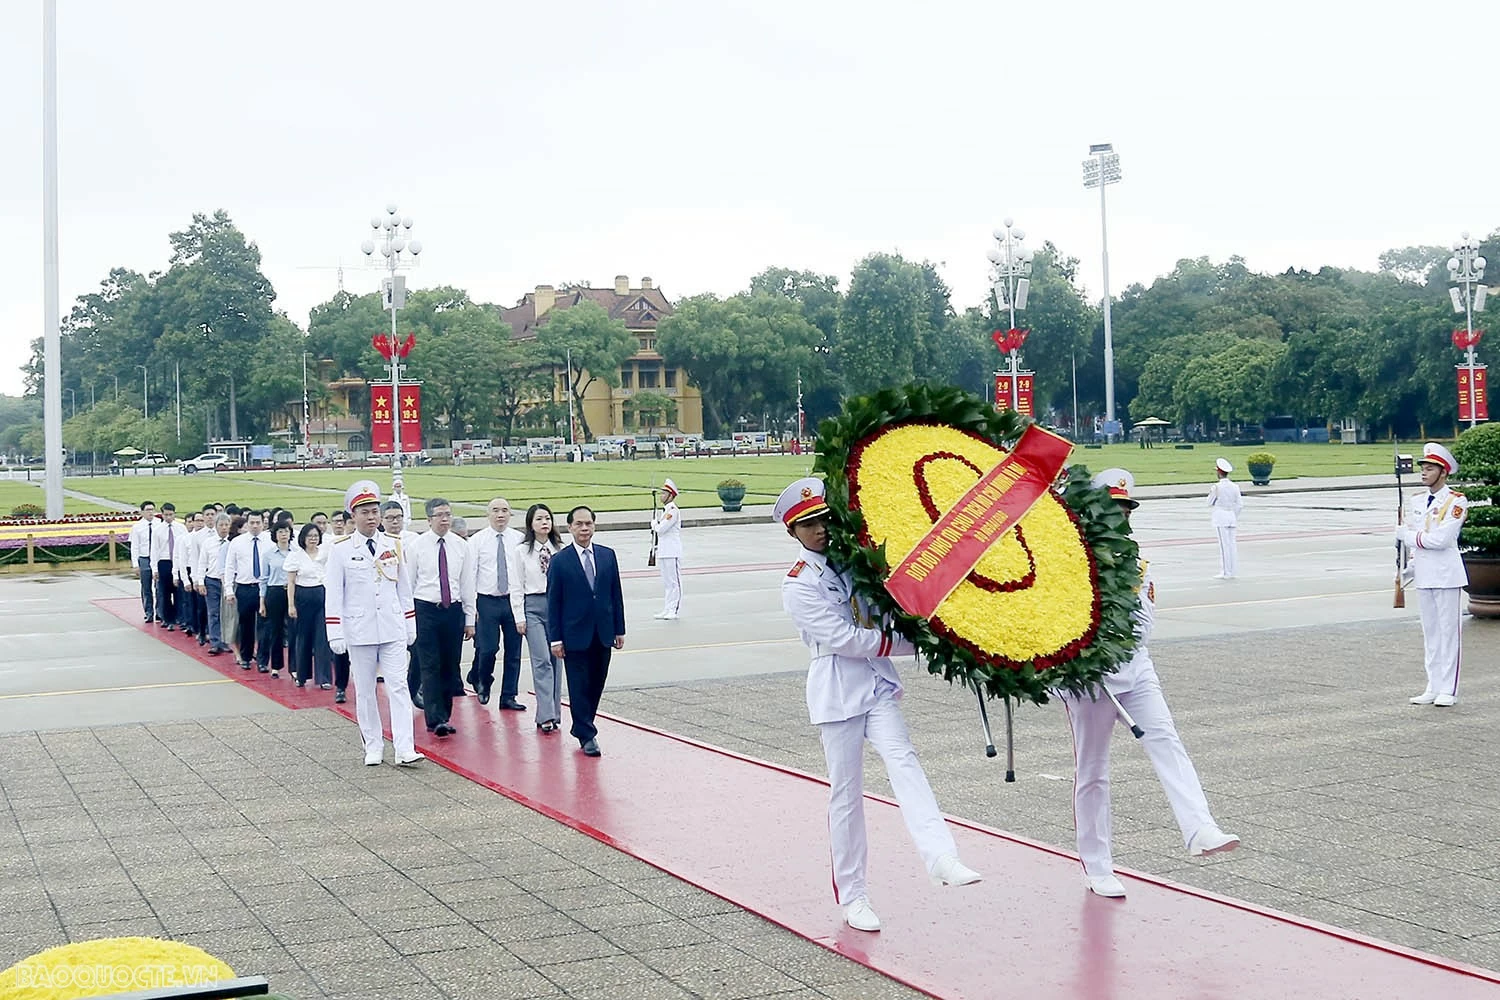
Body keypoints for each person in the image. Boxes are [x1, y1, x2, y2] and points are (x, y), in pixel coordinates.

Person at [774, 476, 981, 933]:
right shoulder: (798, 584)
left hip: (876, 684)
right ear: (792, 532)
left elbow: (887, 608)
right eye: (808, 525)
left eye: (823, 519)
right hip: (837, 688)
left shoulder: (855, 564)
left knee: (904, 761)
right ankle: (853, 896)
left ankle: (941, 855)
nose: (820, 530)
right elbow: (844, 639)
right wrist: (912, 645)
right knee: (846, 797)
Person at [1061, 468, 1240, 900]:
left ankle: (1200, 828)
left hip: (1135, 668)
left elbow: (1145, 622)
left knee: (1166, 741)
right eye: (1114, 510)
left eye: (1126, 511)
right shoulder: (1068, 560)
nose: (1122, 519)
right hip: (1090, 681)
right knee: (1092, 771)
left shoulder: (1136, 562)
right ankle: (1097, 865)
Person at [325, 480, 423, 767]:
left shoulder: (392, 544)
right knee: (366, 691)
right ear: (353, 516)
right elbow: (334, 594)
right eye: (364, 512)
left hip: (391, 626)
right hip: (360, 629)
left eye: (374, 511)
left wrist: (409, 623)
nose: (371, 517)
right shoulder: (341, 549)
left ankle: (405, 747)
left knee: (399, 686)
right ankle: (373, 744)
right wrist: (336, 631)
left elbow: (403, 588)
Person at [546, 506, 625, 757]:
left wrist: (619, 628)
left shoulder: (607, 556)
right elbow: (553, 602)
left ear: (594, 526)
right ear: (569, 528)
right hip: (574, 635)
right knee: (579, 685)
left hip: (603, 631)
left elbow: (616, 594)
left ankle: (583, 724)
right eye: (578, 524)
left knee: (596, 684)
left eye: (588, 524)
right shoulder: (560, 561)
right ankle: (587, 734)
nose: (584, 529)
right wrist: (555, 638)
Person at [1398, 442, 1469, 707]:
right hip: (1425, 573)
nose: (1424, 473)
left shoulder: (1456, 500)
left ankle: (1448, 689)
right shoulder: (1417, 500)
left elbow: (1441, 539)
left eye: (1430, 469)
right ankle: (1433, 685)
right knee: (1431, 633)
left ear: (1444, 472)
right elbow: (1417, 538)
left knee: (1449, 633)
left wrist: (1409, 537)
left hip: (1447, 574)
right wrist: (1409, 566)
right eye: (1423, 468)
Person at [407, 497, 476, 737]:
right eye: (440, 515)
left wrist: (469, 620)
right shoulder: (417, 546)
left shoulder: (461, 546)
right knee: (430, 664)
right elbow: (409, 583)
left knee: (450, 664)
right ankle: (434, 718)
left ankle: (445, 715)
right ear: (429, 519)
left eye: (448, 514)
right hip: (425, 609)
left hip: (452, 610)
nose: (445, 519)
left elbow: (467, 584)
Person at [511, 503, 565, 732]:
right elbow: (516, 584)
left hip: (557, 607)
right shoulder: (521, 551)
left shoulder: (560, 549)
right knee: (541, 659)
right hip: (532, 606)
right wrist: (519, 616)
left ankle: (555, 712)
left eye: (547, 518)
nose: (545, 523)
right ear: (531, 524)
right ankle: (545, 714)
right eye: (539, 519)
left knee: (556, 660)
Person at [469, 497, 526, 709]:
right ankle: (483, 680)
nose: (500, 515)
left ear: (510, 514)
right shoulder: (477, 540)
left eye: (504, 510)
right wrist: (472, 606)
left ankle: (509, 695)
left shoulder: (520, 539)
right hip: (487, 601)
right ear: (488, 514)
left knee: (514, 652)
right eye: (495, 510)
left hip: (512, 600)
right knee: (488, 648)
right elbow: (470, 574)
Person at [381, 500, 422, 699]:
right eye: (390, 518)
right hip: (388, 606)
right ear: (382, 520)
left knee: (417, 650)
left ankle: (412, 689)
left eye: (398, 517)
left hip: (413, 602)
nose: (395, 521)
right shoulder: (379, 543)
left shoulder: (414, 540)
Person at [287, 523, 332, 690]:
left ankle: (324, 677)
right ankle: (301, 674)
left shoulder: (325, 554)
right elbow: (291, 582)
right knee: (303, 637)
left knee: (322, 639)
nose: (313, 539)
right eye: (310, 536)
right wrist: (291, 605)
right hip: (303, 597)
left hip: (321, 596)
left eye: (315, 536)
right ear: (303, 538)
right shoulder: (295, 556)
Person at [222, 511, 266, 669]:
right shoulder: (237, 542)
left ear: (263, 523)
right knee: (246, 624)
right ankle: (246, 656)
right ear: (247, 524)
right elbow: (230, 566)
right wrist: (229, 589)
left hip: (264, 588)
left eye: (258, 523)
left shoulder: (269, 541)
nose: (255, 526)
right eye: (252, 523)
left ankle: (262, 659)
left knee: (264, 625)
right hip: (245, 587)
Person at [258, 522, 294, 678]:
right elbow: (264, 579)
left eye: (286, 531)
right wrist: (262, 601)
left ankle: (295, 666)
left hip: (292, 591)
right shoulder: (268, 554)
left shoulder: (296, 552)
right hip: (275, 592)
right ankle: (276, 666)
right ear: (275, 535)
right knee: (276, 630)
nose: (283, 534)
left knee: (294, 630)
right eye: (280, 532)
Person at [198, 512, 232, 655]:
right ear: (216, 526)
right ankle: (215, 642)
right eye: (221, 525)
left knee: (227, 613)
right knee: (213, 613)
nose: (224, 528)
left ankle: (226, 641)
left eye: (226, 525)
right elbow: (202, 563)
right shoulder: (209, 542)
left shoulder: (233, 543)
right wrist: (200, 582)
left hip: (228, 581)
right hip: (212, 580)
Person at [651, 478, 684, 620]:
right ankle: (667, 608)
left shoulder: (673, 511)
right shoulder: (665, 511)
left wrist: (654, 524)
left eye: (664, 493)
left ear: (671, 495)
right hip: (664, 551)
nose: (661, 496)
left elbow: (662, 529)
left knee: (673, 582)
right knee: (666, 582)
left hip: (672, 550)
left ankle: (673, 610)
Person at [1208, 458, 1243, 579]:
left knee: (1224, 546)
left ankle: (1225, 572)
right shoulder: (1235, 486)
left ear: (1219, 472)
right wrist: (1233, 515)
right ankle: (1233, 571)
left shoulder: (1216, 487)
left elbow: (1209, 502)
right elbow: (1239, 505)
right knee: (1232, 545)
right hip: (1231, 516)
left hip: (1220, 517)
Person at [150, 502, 182, 630]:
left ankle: (180, 617)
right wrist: (155, 568)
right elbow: (154, 550)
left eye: (171, 514)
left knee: (179, 592)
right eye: (166, 515)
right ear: (162, 515)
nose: (168, 517)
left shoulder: (181, 528)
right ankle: (168, 619)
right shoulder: (157, 530)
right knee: (165, 592)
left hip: (178, 562)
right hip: (164, 562)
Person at [129, 502, 158, 623]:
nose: (150, 512)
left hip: (157, 558)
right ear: (142, 512)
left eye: (152, 509)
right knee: (146, 587)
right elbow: (134, 547)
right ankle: (149, 612)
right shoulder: (137, 527)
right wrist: (135, 564)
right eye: (147, 510)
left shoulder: (159, 524)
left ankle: (160, 612)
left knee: (159, 587)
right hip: (144, 558)